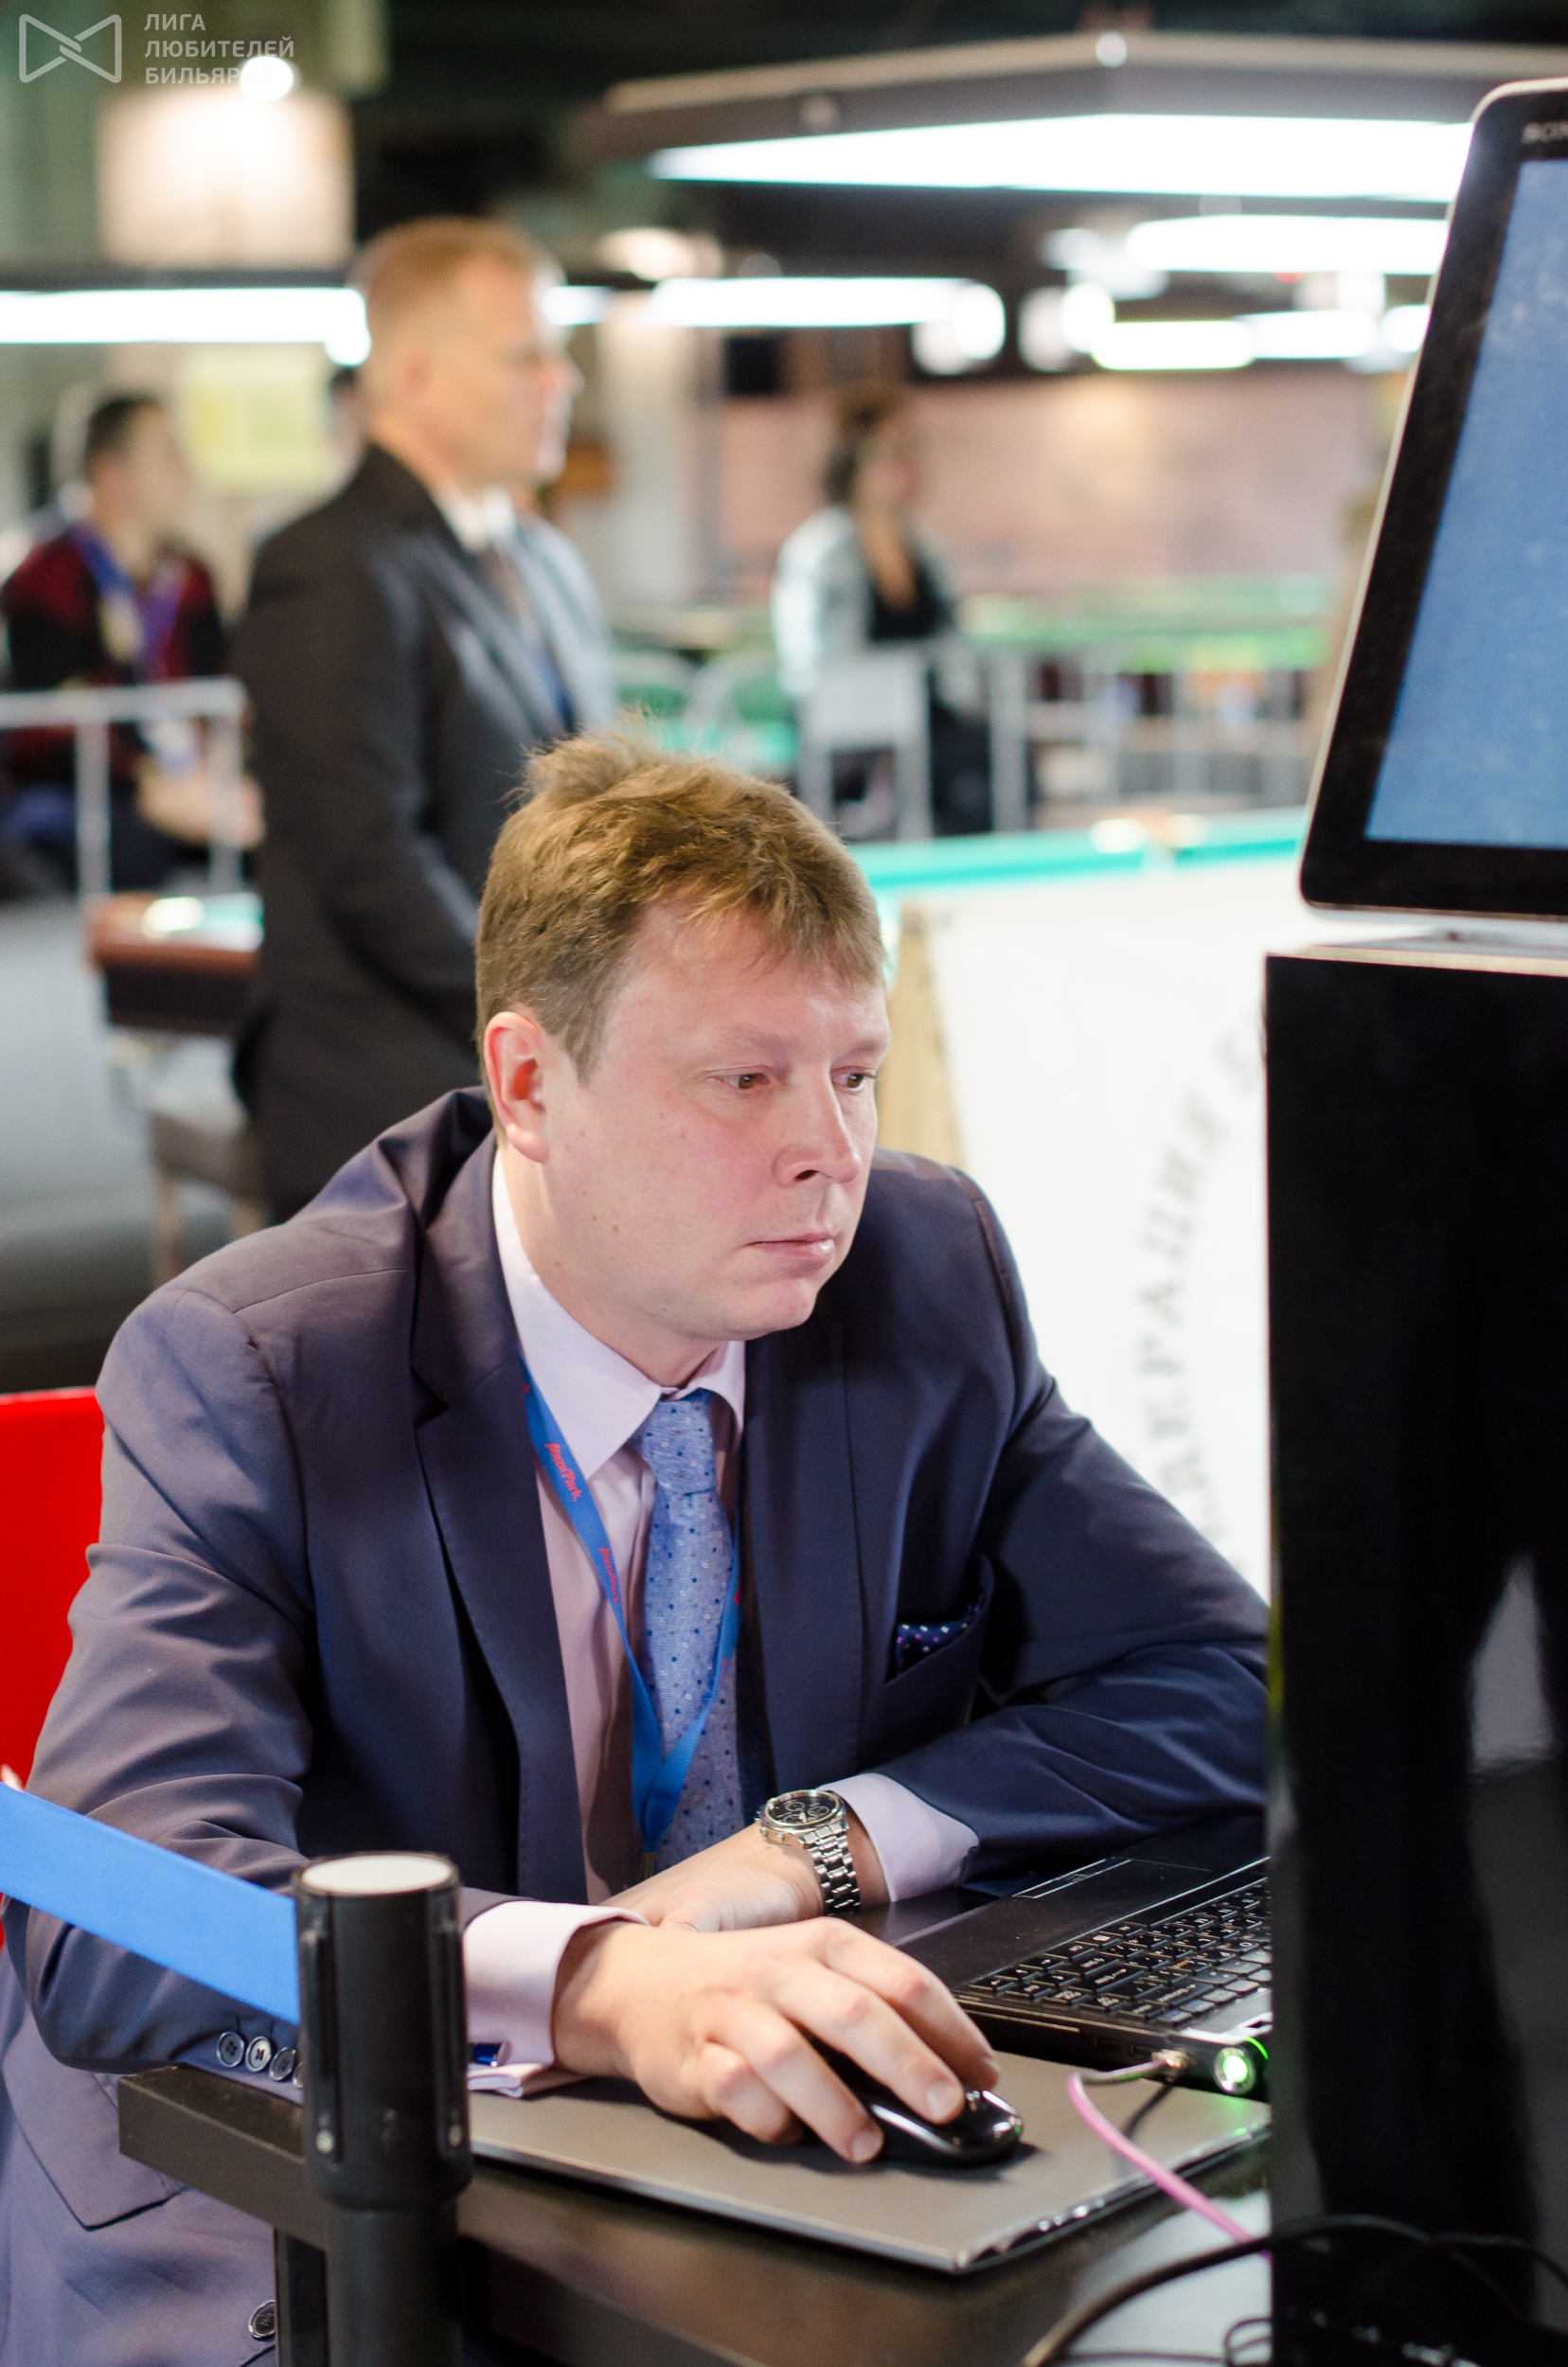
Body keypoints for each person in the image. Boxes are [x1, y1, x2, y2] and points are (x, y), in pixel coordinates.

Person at [0, 737, 1266, 2366]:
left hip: (724, 2144)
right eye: (744, 1081)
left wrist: (814, 1849)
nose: (829, 1151)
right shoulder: (258, 1370)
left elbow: (1221, 1676)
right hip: (299, 2169)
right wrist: (598, 1984)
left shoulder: (917, 1271)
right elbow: (121, 1926)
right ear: (529, 1085)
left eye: (855, 1073)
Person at [233, 216, 616, 1222]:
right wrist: (550, 1018)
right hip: (388, 1091)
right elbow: (371, 861)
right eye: (526, 356)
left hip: (540, 1073)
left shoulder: (544, 560)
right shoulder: (330, 565)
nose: (562, 381)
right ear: (415, 377)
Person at [0, 392, 240, 892]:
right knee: (126, 845)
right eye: (167, 455)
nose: (186, 471)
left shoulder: (192, 577)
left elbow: (222, 688)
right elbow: (47, 731)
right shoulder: (47, 579)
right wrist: (145, 783)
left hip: (188, 781)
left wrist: (215, 773)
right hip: (89, 790)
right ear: (111, 475)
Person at [772, 383, 991, 837]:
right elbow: (806, 663)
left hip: (928, 725)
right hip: (848, 727)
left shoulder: (926, 548)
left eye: (909, 451)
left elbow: (953, 645)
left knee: (992, 768)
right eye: (887, 452)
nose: (901, 465)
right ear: (852, 461)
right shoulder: (818, 551)